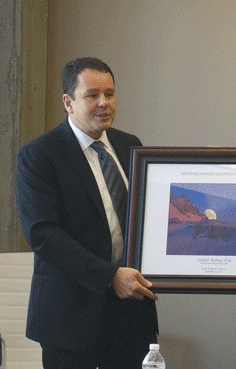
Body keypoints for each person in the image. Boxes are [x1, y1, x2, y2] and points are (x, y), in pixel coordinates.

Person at [16, 57, 158, 369]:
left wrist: (209, 165)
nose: (104, 103)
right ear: (68, 102)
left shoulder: (129, 145)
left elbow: (156, 209)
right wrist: (110, 276)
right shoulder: (39, 155)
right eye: (92, 95)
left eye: (110, 94)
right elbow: (44, 235)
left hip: (131, 312)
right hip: (70, 317)